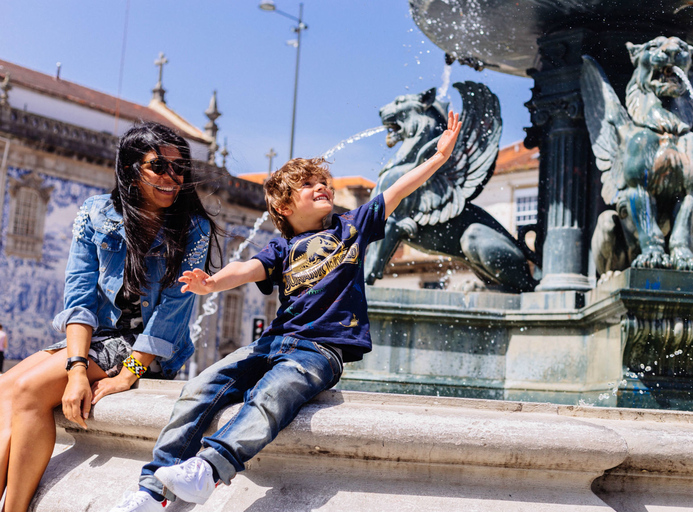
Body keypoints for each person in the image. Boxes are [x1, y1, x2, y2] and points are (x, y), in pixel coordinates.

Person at [108, 111, 462, 512]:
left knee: (269, 396)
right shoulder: (280, 249)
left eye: (323, 182)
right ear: (284, 205)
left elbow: (396, 190)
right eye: (308, 184)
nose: (321, 187)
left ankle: (209, 468)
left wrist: (438, 158)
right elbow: (246, 269)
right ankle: (152, 491)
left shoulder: (352, 226)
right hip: (274, 341)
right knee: (200, 388)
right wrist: (212, 283)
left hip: (320, 350)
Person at [0, 122, 219, 512]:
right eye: (159, 166)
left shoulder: (193, 228)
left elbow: (172, 311)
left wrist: (129, 373)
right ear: (132, 169)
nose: (173, 177)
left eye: (180, 168)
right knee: (6, 387)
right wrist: (77, 369)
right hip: (98, 340)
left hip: (144, 350)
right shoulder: (96, 213)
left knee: (31, 391)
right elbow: (79, 295)